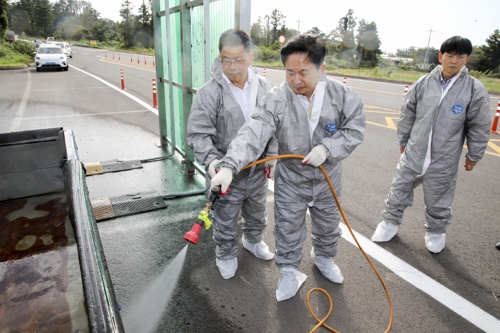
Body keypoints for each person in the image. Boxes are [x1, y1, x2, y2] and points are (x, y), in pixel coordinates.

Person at [210, 34, 365, 301]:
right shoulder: (277, 98)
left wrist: (328, 147)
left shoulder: (342, 96)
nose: (296, 80)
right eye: (290, 73)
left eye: (304, 72)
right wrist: (228, 166)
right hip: (291, 180)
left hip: (327, 179)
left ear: (321, 68)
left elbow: (354, 129)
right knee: (287, 227)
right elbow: (253, 132)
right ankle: (289, 270)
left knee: (328, 224)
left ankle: (325, 258)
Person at [371, 36, 491, 253]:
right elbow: (408, 112)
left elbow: (479, 125)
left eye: (460, 56)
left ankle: (436, 231)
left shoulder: (474, 89)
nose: (454, 60)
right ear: (440, 56)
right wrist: (404, 140)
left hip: (444, 157)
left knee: (439, 198)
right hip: (414, 152)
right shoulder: (424, 82)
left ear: (467, 59)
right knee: (399, 189)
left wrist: (474, 155)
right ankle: (389, 222)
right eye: (450, 55)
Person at [187, 29, 277, 280]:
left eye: (239, 59)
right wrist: (214, 162)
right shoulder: (209, 92)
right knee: (224, 216)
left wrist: (270, 156)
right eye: (226, 59)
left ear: (250, 56)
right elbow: (197, 134)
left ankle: (253, 240)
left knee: (256, 210)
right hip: (224, 173)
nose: (233, 66)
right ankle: (226, 253)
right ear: (219, 57)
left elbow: (271, 127)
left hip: (257, 170)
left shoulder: (264, 86)